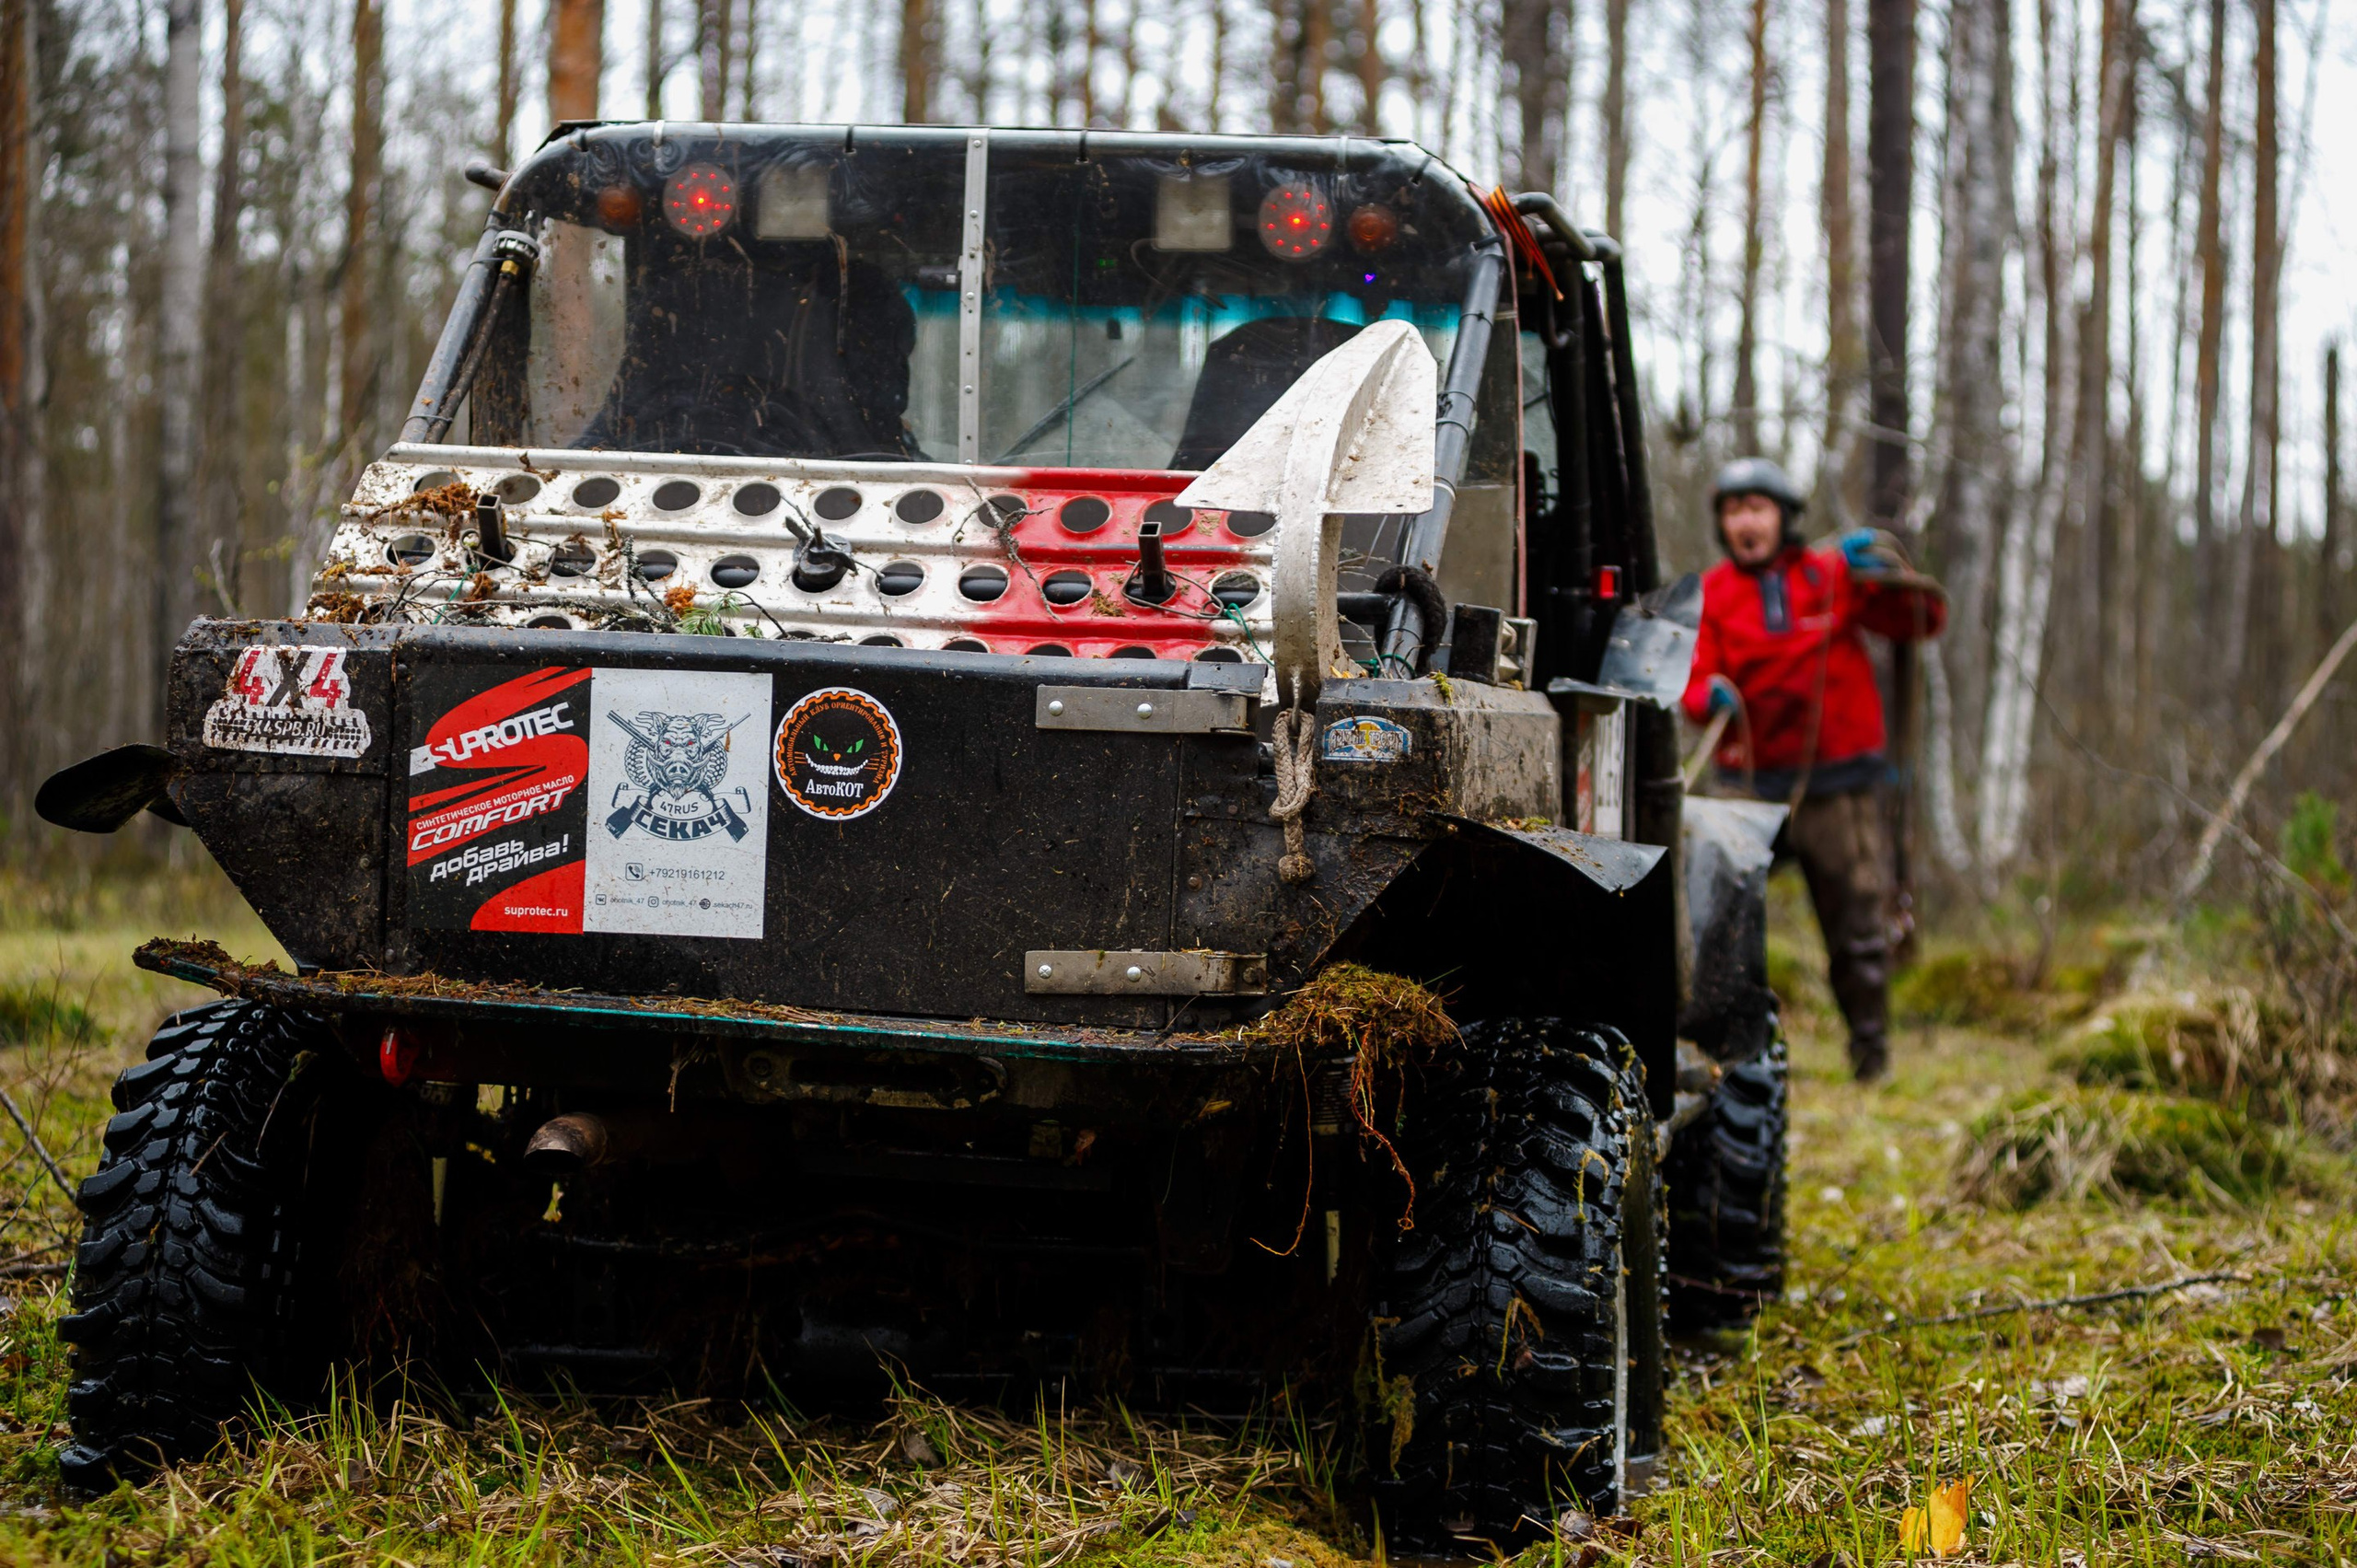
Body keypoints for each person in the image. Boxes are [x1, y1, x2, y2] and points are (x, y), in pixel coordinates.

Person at [1680, 457, 1947, 1082]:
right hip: (1747, 786)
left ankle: (1870, 1055)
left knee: (1856, 923)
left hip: (1838, 782)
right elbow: (1692, 679)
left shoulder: (1830, 574)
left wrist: (1880, 577)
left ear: (1784, 518)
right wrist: (1707, 695)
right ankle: (1726, 1055)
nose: (1746, 522)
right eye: (1734, 510)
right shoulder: (1713, 591)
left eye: (1758, 508)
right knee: (1715, 915)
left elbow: (1921, 622)